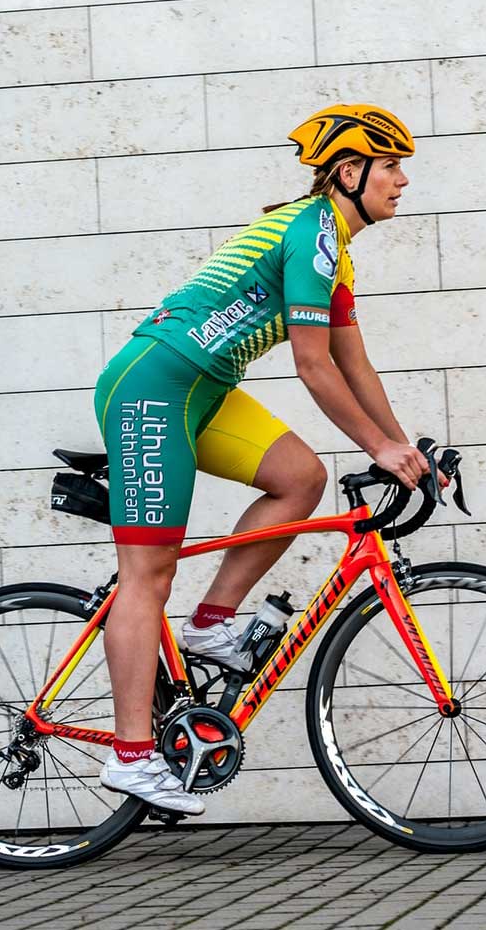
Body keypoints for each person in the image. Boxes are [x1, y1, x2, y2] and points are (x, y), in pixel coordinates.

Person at [91, 104, 435, 814]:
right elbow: (313, 366)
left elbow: (355, 365)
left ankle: (212, 622)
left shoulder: (333, 247)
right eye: (391, 166)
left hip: (204, 389)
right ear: (350, 171)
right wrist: (377, 447)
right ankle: (130, 757)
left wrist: (404, 448)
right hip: (154, 386)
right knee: (147, 576)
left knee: (300, 478)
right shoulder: (310, 232)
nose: (402, 181)